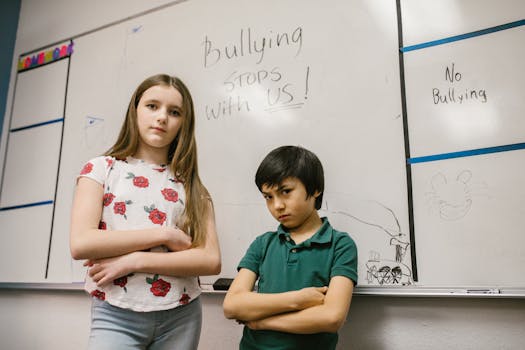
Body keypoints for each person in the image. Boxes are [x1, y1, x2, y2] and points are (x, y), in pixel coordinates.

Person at [70, 74, 221, 350]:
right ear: (135, 110)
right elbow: (82, 243)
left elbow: (210, 260)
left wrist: (135, 261)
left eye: (174, 112)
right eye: (152, 106)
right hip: (116, 311)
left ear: (183, 123)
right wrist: (163, 234)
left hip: (182, 314)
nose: (162, 117)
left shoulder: (194, 187)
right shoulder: (100, 169)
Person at [223, 145, 357, 350]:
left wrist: (262, 321)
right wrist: (298, 300)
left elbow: (331, 318)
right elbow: (232, 306)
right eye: (268, 197)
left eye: (285, 192)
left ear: (315, 189)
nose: (277, 205)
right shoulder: (263, 243)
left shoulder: (340, 245)